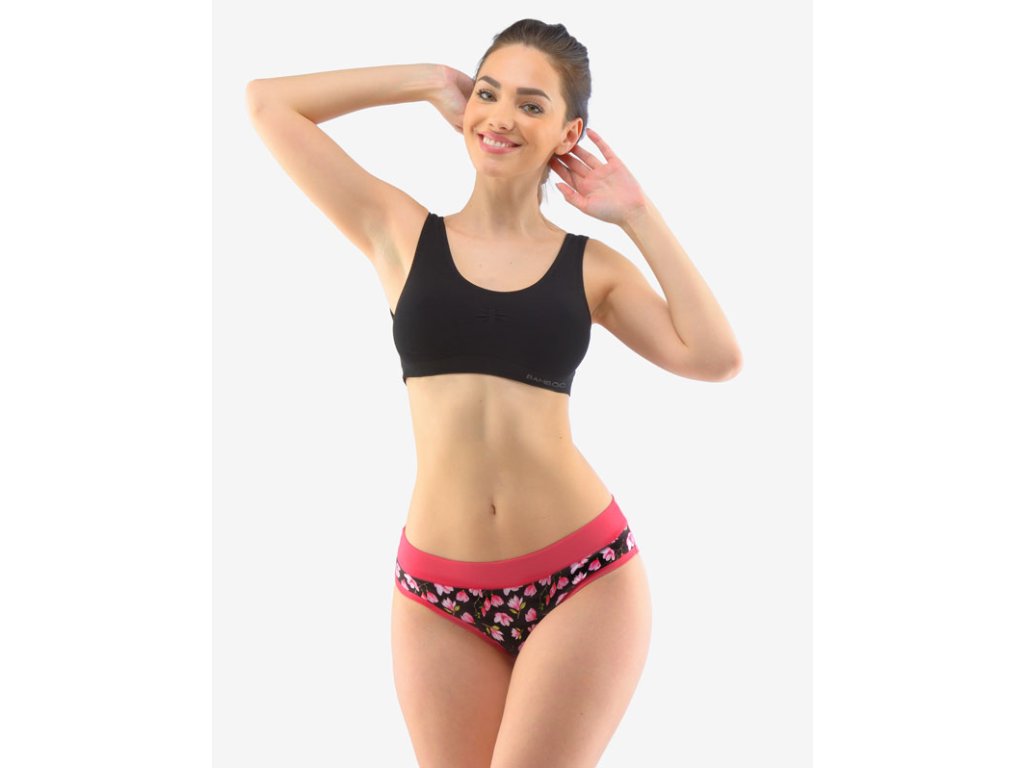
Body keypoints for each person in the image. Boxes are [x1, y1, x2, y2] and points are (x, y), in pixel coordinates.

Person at [247, 17, 742, 768]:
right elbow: (267, 103)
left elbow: (713, 357)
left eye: (531, 104)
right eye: (489, 93)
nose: (501, 117)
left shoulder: (591, 267)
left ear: (569, 133)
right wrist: (425, 80)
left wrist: (638, 215)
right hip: (437, 593)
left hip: (581, 580)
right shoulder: (400, 232)